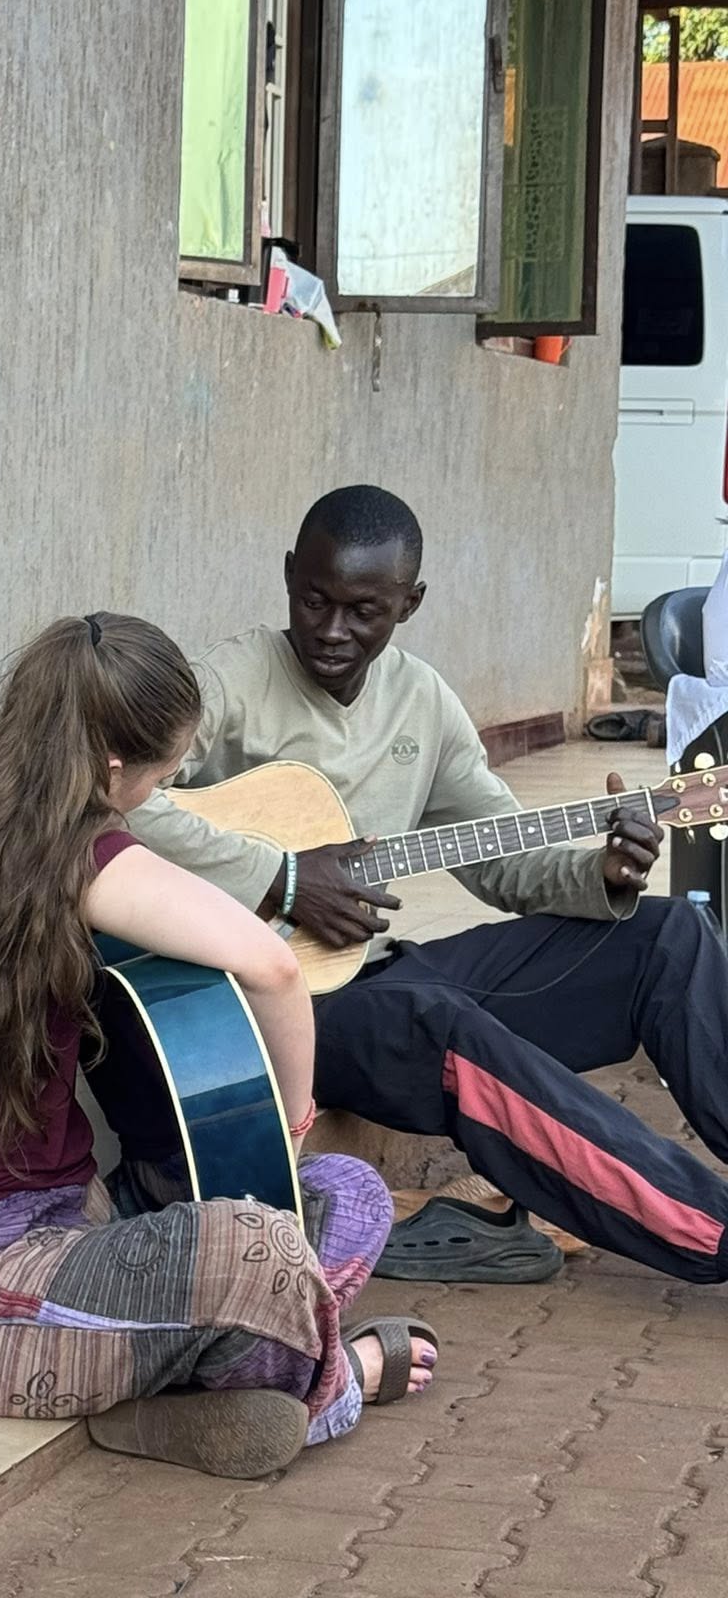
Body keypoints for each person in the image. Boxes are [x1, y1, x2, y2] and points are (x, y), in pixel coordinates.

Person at [0, 613, 437, 1483]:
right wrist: (293, 1120)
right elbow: (273, 967)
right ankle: (339, 1384)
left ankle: (184, 1398)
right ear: (113, 769)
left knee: (350, 1194)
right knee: (260, 1254)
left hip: (62, 1237)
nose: (164, 790)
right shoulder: (79, 856)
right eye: (163, 774)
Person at [129, 484, 728, 1286]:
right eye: (313, 601)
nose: (333, 630)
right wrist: (285, 876)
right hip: (271, 1012)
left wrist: (600, 872)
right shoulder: (228, 683)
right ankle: (710, 1232)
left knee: (667, 937)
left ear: (409, 603)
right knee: (440, 1021)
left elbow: (500, 862)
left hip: (378, 973)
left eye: (363, 610)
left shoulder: (423, 702)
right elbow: (125, 805)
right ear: (287, 578)